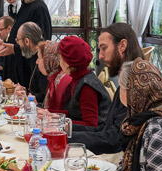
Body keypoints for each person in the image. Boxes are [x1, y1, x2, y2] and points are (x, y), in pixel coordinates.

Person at [71, 23, 143, 155]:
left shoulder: (137, 86)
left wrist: (65, 136)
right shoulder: (127, 80)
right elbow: (104, 130)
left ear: (122, 45)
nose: (101, 56)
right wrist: (65, 130)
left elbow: (113, 141)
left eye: (104, 48)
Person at [49, 36, 110, 127]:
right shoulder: (78, 78)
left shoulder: (87, 87)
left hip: (93, 137)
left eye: (61, 58)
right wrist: (50, 114)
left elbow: (90, 125)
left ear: (68, 62)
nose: (59, 62)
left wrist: (58, 122)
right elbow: (75, 113)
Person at [9, 22, 48, 101]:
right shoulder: (34, 54)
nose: (18, 44)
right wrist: (24, 91)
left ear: (27, 41)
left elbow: (45, 96)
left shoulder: (44, 59)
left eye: (18, 40)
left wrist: (25, 94)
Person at [37, 40, 69, 112]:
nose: (37, 62)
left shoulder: (63, 81)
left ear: (48, 60)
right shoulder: (54, 78)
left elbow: (66, 114)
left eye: (39, 58)